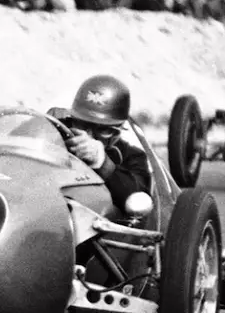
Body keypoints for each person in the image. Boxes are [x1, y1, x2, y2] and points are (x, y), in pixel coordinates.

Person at [48, 75, 151, 212]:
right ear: (72, 119)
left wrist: (103, 164)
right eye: (82, 125)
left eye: (103, 130)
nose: (89, 135)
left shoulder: (132, 156)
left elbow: (139, 198)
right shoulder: (53, 130)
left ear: (118, 130)